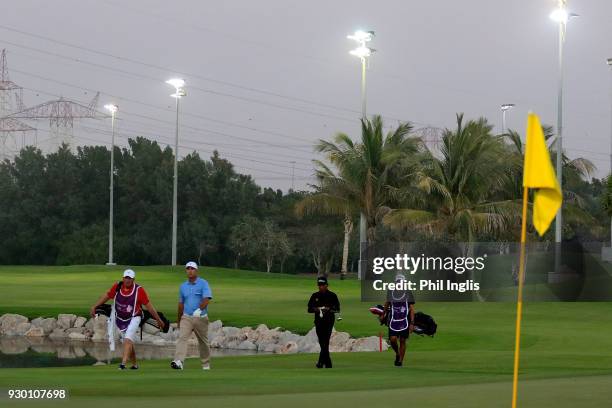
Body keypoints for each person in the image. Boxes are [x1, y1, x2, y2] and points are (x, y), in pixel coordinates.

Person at [90, 269, 165, 370]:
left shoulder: (139, 290)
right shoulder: (117, 287)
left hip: (135, 317)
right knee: (129, 342)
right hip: (121, 319)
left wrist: (159, 320)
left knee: (127, 339)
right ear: (123, 278)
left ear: (133, 279)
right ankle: (134, 364)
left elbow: (149, 306)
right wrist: (95, 306)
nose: (127, 280)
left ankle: (123, 364)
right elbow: (107, 296)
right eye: (126, 278)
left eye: (130, 278)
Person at [171, 261, 213, 370]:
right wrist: (179, 319)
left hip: (201, 317)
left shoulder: (203, 283)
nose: (190, 271)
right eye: (188, 269)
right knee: (182, 338)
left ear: (196, 271)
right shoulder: (183, 286)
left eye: (192, 269)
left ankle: (206, 364)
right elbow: (181, 304)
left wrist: (200, 310)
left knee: (203, 342)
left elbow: (207, 298)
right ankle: (179, 361)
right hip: (187, 317)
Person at [307, 276, 340, 368]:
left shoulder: (332, 296)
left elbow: (337, 309)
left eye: (322, 285)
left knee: (325, 341)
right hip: (318, 322)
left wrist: (328, 309)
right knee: (322, 342)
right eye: (319, 285)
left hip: (329, 321)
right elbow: (309, 309)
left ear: (326, 285)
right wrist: (317, 309)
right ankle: (327, 362)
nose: (320, 287)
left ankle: (321, 363)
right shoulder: (315, 296)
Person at [384, 274, 415, 367]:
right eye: (398, 282)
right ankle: (397, 353)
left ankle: (400, 361)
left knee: (402, 340)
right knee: (393, 339)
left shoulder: (408, 292)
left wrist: (412, 323)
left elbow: (412, 308)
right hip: (393, 319)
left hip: (404, 320)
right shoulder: (391, 291)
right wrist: (383, 314)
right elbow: (387, 303)